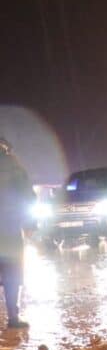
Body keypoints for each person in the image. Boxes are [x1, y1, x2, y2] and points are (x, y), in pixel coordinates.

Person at [0, 137, 34, 329]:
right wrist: (30, 224)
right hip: (9, 227)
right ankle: (13, 317)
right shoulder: (12, 163)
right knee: (12, 273)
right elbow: (27, 195)